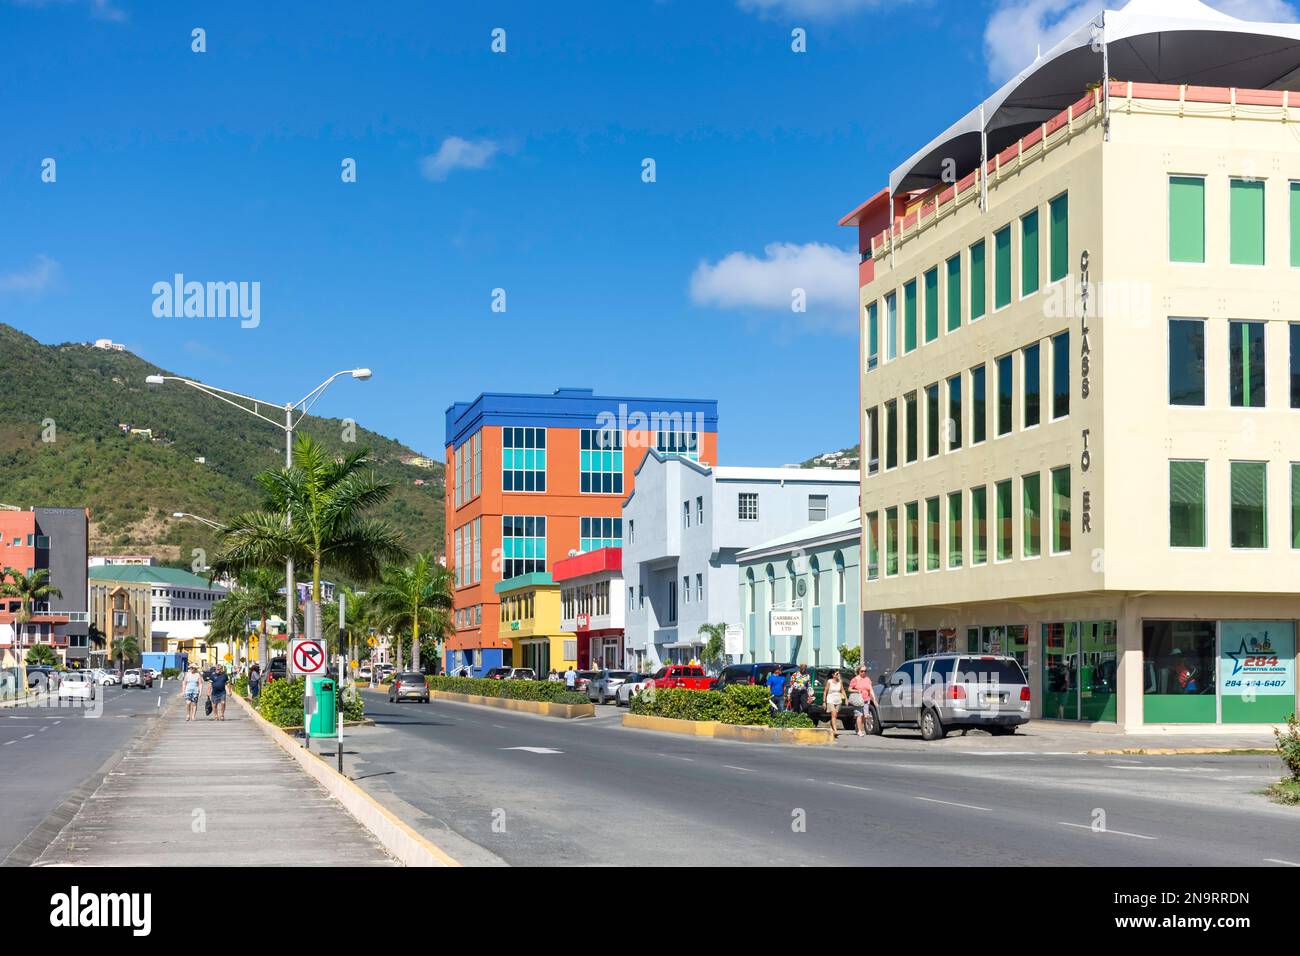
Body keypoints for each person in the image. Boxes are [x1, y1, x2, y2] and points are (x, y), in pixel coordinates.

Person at [849, 666, 875, 737]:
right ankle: (860, 731)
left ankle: (857, 726)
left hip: (866, 700)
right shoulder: (855, 679)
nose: (864, 672)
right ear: (858, 671)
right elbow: (849, 689)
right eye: (862, 671)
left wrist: (874, 699)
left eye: (865, 671)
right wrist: (857, 690)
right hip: (858, 700)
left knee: (865, 716)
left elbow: (870, 689)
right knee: (859, 715)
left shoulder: (867, 679)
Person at [824, 668, 845, 738]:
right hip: (830, 699)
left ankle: (832, 728)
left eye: (839, 673)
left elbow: (842, 690)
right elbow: (825, 691)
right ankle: (835, 730)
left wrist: (846, 699)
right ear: (833, 675)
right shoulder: (829, 681)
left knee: (834, 716)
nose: (838, 675)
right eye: (837, 673)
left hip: (838, 700)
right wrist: (824, 702)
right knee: (833, 714)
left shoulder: (840, 681)